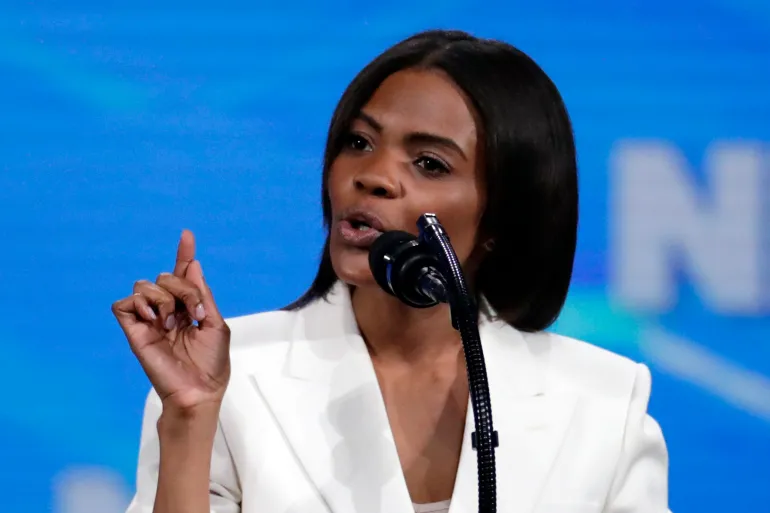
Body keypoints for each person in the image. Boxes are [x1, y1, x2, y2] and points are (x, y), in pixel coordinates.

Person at [113, 30, 670, 513]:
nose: (373, 175)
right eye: (359, 142)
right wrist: (190, 415)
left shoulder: (603, 401)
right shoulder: (226, 378)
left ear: (503, 215)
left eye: (429, 163)